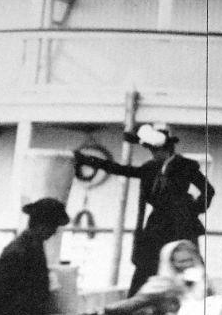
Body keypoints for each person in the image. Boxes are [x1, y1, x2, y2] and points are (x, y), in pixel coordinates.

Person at [74, 124, 214, 296]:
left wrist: (192, 210)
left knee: (186, 264)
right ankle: (134, 306)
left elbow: (208, 190)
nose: (154, 155)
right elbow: (121, 169)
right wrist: (88, 160)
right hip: (157, 223)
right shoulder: (150, 168)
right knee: (146, 265)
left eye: (156, 151)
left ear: (167, 149)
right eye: (152, 151)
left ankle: (196, 303)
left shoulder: (185, 166)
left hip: (181, 223)